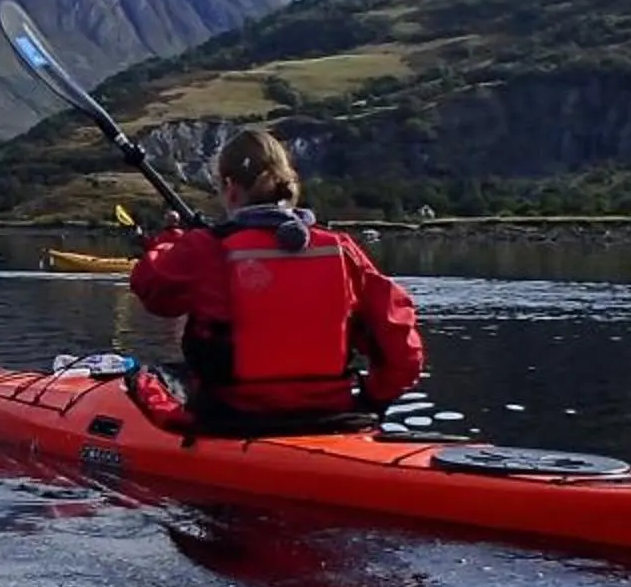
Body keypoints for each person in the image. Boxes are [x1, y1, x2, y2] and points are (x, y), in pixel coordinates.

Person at [129, 129, 423, 426]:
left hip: (230, 416)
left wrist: (168, 240)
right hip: (332, 414)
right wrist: (371, 400)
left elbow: (151, 289)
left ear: (230, 188)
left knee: (148, 379)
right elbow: (403, 350)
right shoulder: (342, 249)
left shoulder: (206, 247)